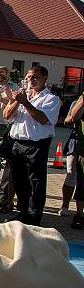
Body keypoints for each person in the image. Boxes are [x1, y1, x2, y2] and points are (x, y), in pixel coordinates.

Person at [3, 66, 61, 226]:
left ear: (44, 79)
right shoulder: (23, 95)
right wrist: (16, 101)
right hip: (18, 143)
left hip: (36, 144)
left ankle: (34, 217)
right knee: (19, 180)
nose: (31, 80)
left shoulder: (51, 98)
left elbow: (43, 119)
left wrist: (25, 103)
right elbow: (7, 115)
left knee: (35, 181)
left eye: (35, 77)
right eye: (29, 77)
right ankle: (23, 212)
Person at [65, 94, 84, 229]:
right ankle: (78, 215)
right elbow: (71, 119)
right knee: (80, 182)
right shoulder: (81, 100)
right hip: (82, 148)